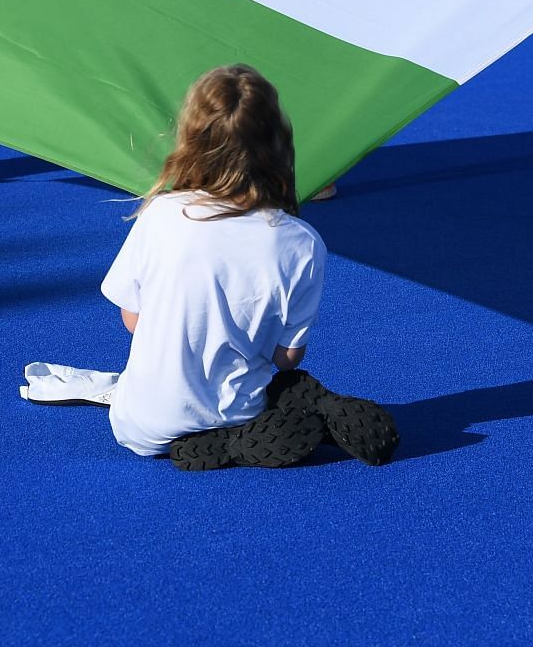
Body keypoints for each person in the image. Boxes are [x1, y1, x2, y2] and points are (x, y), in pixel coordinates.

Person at [99, 65, 397, 470]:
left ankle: (213, 442)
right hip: (239, 409)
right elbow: (287, 358)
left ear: (191, 139)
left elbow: (132, 320)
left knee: (275, 393)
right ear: (278, 143)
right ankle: (238, 433)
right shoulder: (302, 243)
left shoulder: (160, 214)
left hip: (137, 424)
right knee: (287, 385)